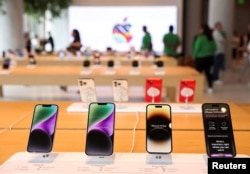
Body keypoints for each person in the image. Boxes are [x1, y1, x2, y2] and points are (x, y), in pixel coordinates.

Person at [193, 24, 217, 94]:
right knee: (208, 73)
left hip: (200, 58)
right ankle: (210, 87)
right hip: (210, 58)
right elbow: (215, 48)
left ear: (203, 30)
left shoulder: (200, 38)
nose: (199, 30)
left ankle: (197, 87)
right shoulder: (211, 38)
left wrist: (194, 55)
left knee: (198, 73)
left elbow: (197, 48)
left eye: (200, 29)